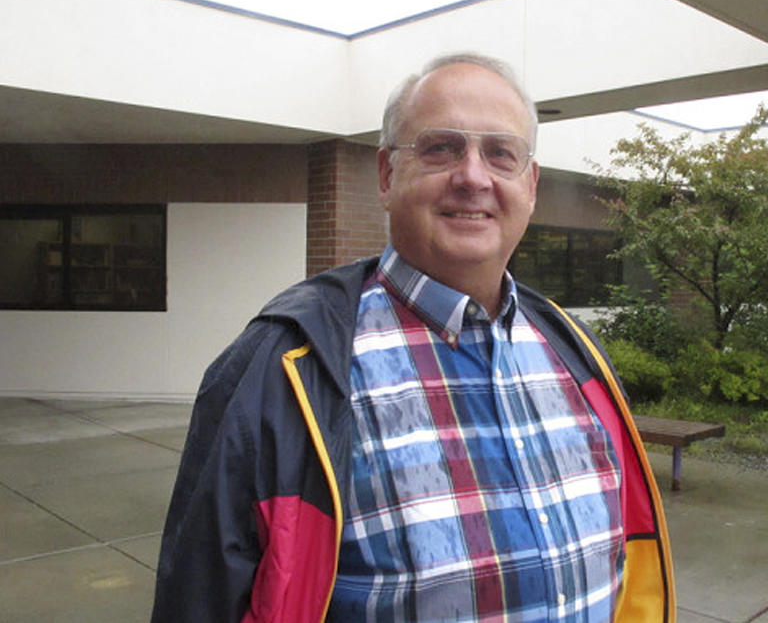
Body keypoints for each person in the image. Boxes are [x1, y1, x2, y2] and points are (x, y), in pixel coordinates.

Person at [151, 53, 675, 623]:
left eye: (500, 153)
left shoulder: (577, 352)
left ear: (531, 184)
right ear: (385, 175)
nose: (473, 176)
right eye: (440, 148)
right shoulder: (281, 369)